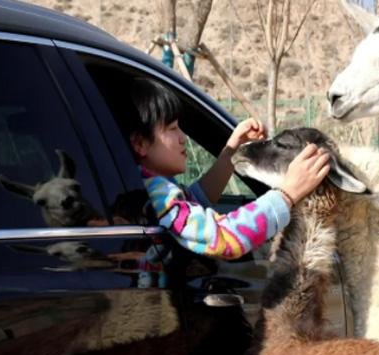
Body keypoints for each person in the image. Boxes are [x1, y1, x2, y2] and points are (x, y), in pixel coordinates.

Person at [125, 78, 330, 286]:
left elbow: (194, 203)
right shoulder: (159, 195)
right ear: (140, 143)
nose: (182, 137)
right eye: (172, 128)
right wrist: (288, 194)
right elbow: (223, 238)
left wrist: (231, 151)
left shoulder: (153, 190)